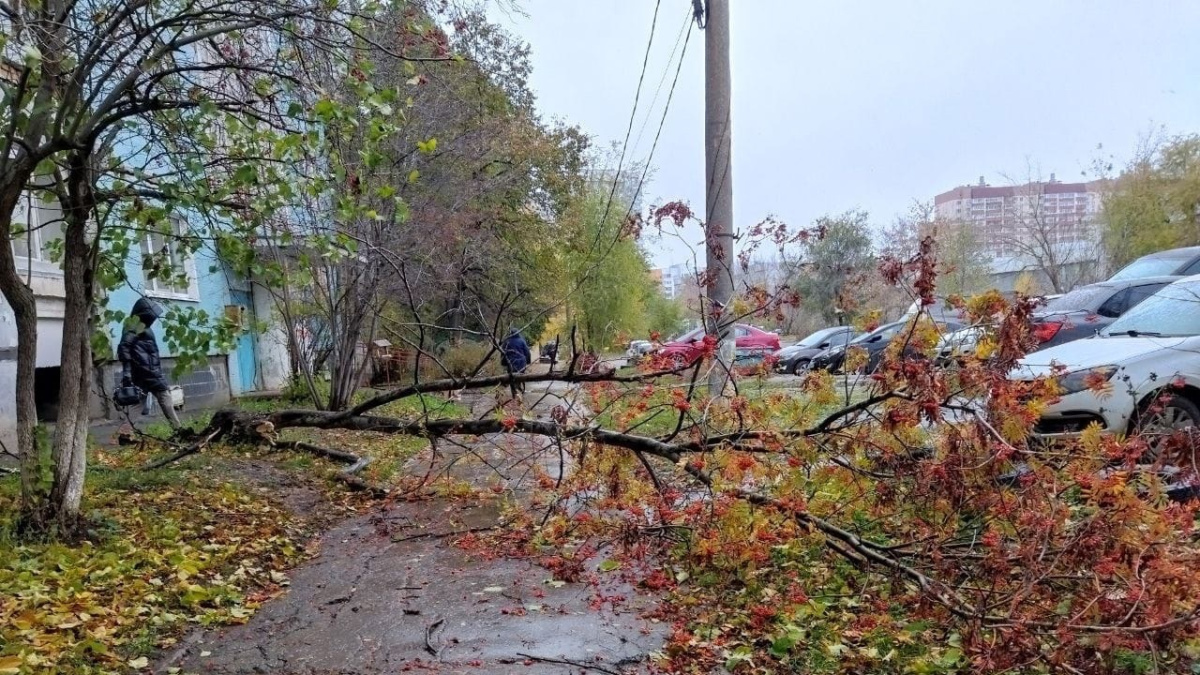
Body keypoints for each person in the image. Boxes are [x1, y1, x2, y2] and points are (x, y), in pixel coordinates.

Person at [118, 298, 181, 430]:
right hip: (148, 371)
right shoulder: (134, 326)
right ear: (143, 314)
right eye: (150, 317)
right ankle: (178, 430)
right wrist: (127, 372)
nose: (153, 320)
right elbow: (124, 347)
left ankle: (124, 433)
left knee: (138, 403)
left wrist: (129, 372)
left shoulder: (137, 326)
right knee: (165, 397)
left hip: (144, 371)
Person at [500, 329, 531, 395]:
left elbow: (503, 353)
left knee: (511, 377)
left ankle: (514, 393)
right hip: (521, 363)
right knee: (519, 376)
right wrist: (528, 362)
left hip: (510, 363)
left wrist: (503, 363)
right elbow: (527, 352)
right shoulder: (522, 341)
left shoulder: (507, 341)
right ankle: (519, 390)